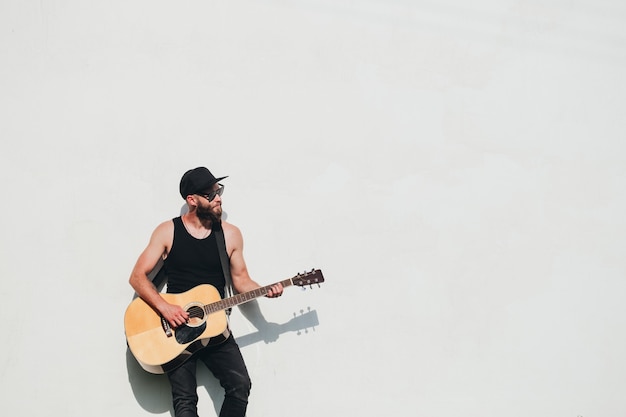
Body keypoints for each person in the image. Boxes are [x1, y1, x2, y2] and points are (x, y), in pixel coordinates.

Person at [129, 166, 283, 417]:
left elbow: (242, 281)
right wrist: (166, 308)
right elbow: (137, 277)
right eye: (210, 194)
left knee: (240, 386)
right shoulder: (168, 231)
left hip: (215, 326)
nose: (218, 197)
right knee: (185, 401)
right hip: (174, 327)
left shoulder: (230, 235)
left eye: (219, 191)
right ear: (192, 200)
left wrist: (266, 290)